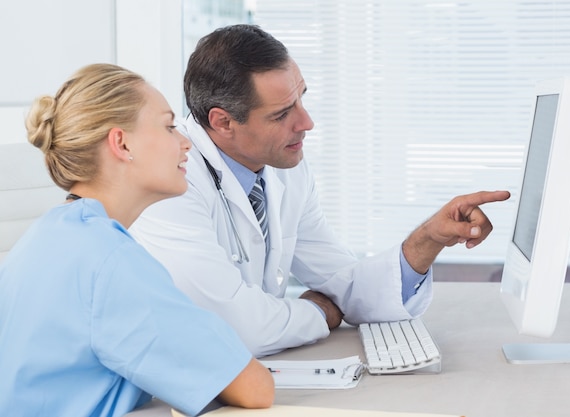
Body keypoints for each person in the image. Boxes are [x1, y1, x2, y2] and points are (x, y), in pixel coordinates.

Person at [131, 24, 511, 358]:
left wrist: (428, 239)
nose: (306, 122)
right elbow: (236, 327)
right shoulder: (169, 181)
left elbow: (342, 281)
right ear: (223, 121)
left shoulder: (283, 168)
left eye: (301, 98)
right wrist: (319, 313)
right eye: (282, 114)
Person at [0, 63, 274, 417]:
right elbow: (254, 388)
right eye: (169, 126)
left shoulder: (46, 238)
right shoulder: (109, 260)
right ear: (122, 143)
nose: (185, 141)